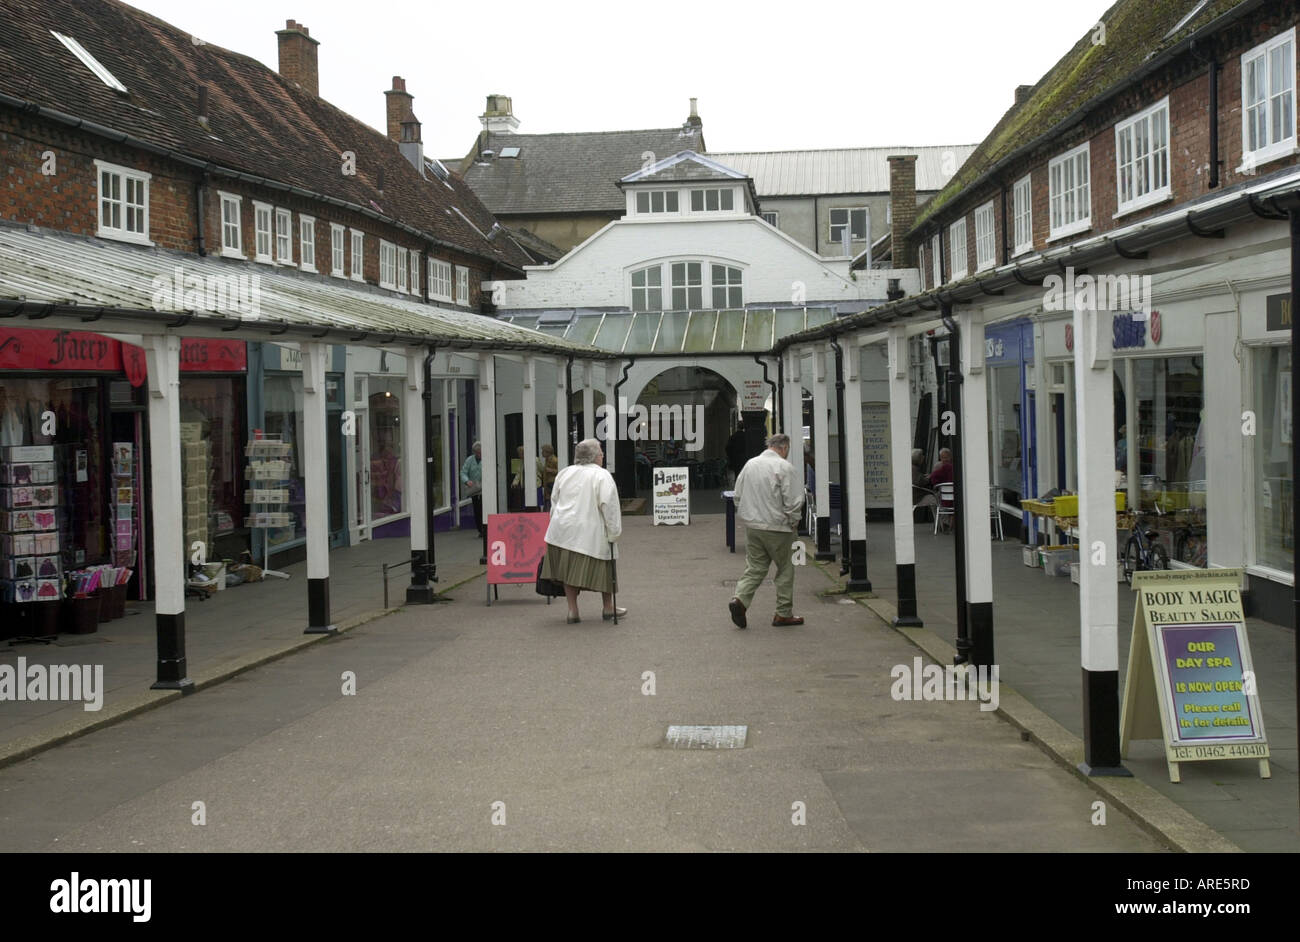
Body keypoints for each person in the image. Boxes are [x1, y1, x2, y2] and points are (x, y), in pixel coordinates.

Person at [541, 438, 625, 624]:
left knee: (568, 571)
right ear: (595, 456)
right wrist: (614, 532)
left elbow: (554, 503)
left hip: (562, 531)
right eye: (601, 452)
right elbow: (609, 507)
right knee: (605, 568)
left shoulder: (564, 473)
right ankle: (608, 607)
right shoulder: (602, 476)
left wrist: (555, 524)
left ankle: (573, 611)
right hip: (589, 532)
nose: (603, 455)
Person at [728, 433, 804, 629]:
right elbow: (794, 500)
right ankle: (783, 613)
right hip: (780, 528)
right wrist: (794, 521)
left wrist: (747, 513)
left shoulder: (750, 464)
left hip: (753, 527)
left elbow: (737, 494)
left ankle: (740, 600)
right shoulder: (785, 467)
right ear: (784, 448)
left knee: (755, 567)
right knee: (786, 568)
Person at [459, 441, 484, 537]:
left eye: (480, 452)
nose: (479, 454)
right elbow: (463, 472)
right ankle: (480, 529)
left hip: (484, 488)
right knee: (477, 510)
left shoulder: (487, 459)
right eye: (477, 452)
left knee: (483, 509)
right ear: (474, 452)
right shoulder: (469, 460)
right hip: (474, 489)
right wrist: (467, 481)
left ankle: (485, 528)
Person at [537, 443, 559, 510]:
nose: (542, 453)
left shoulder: (555, 460)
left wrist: (551, 470)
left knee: (551, 499)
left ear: (547, 452)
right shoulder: (547, 459)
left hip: (552, 483)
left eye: (543, 451)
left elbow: (560, 471)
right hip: (547, 483)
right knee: (547, 499)